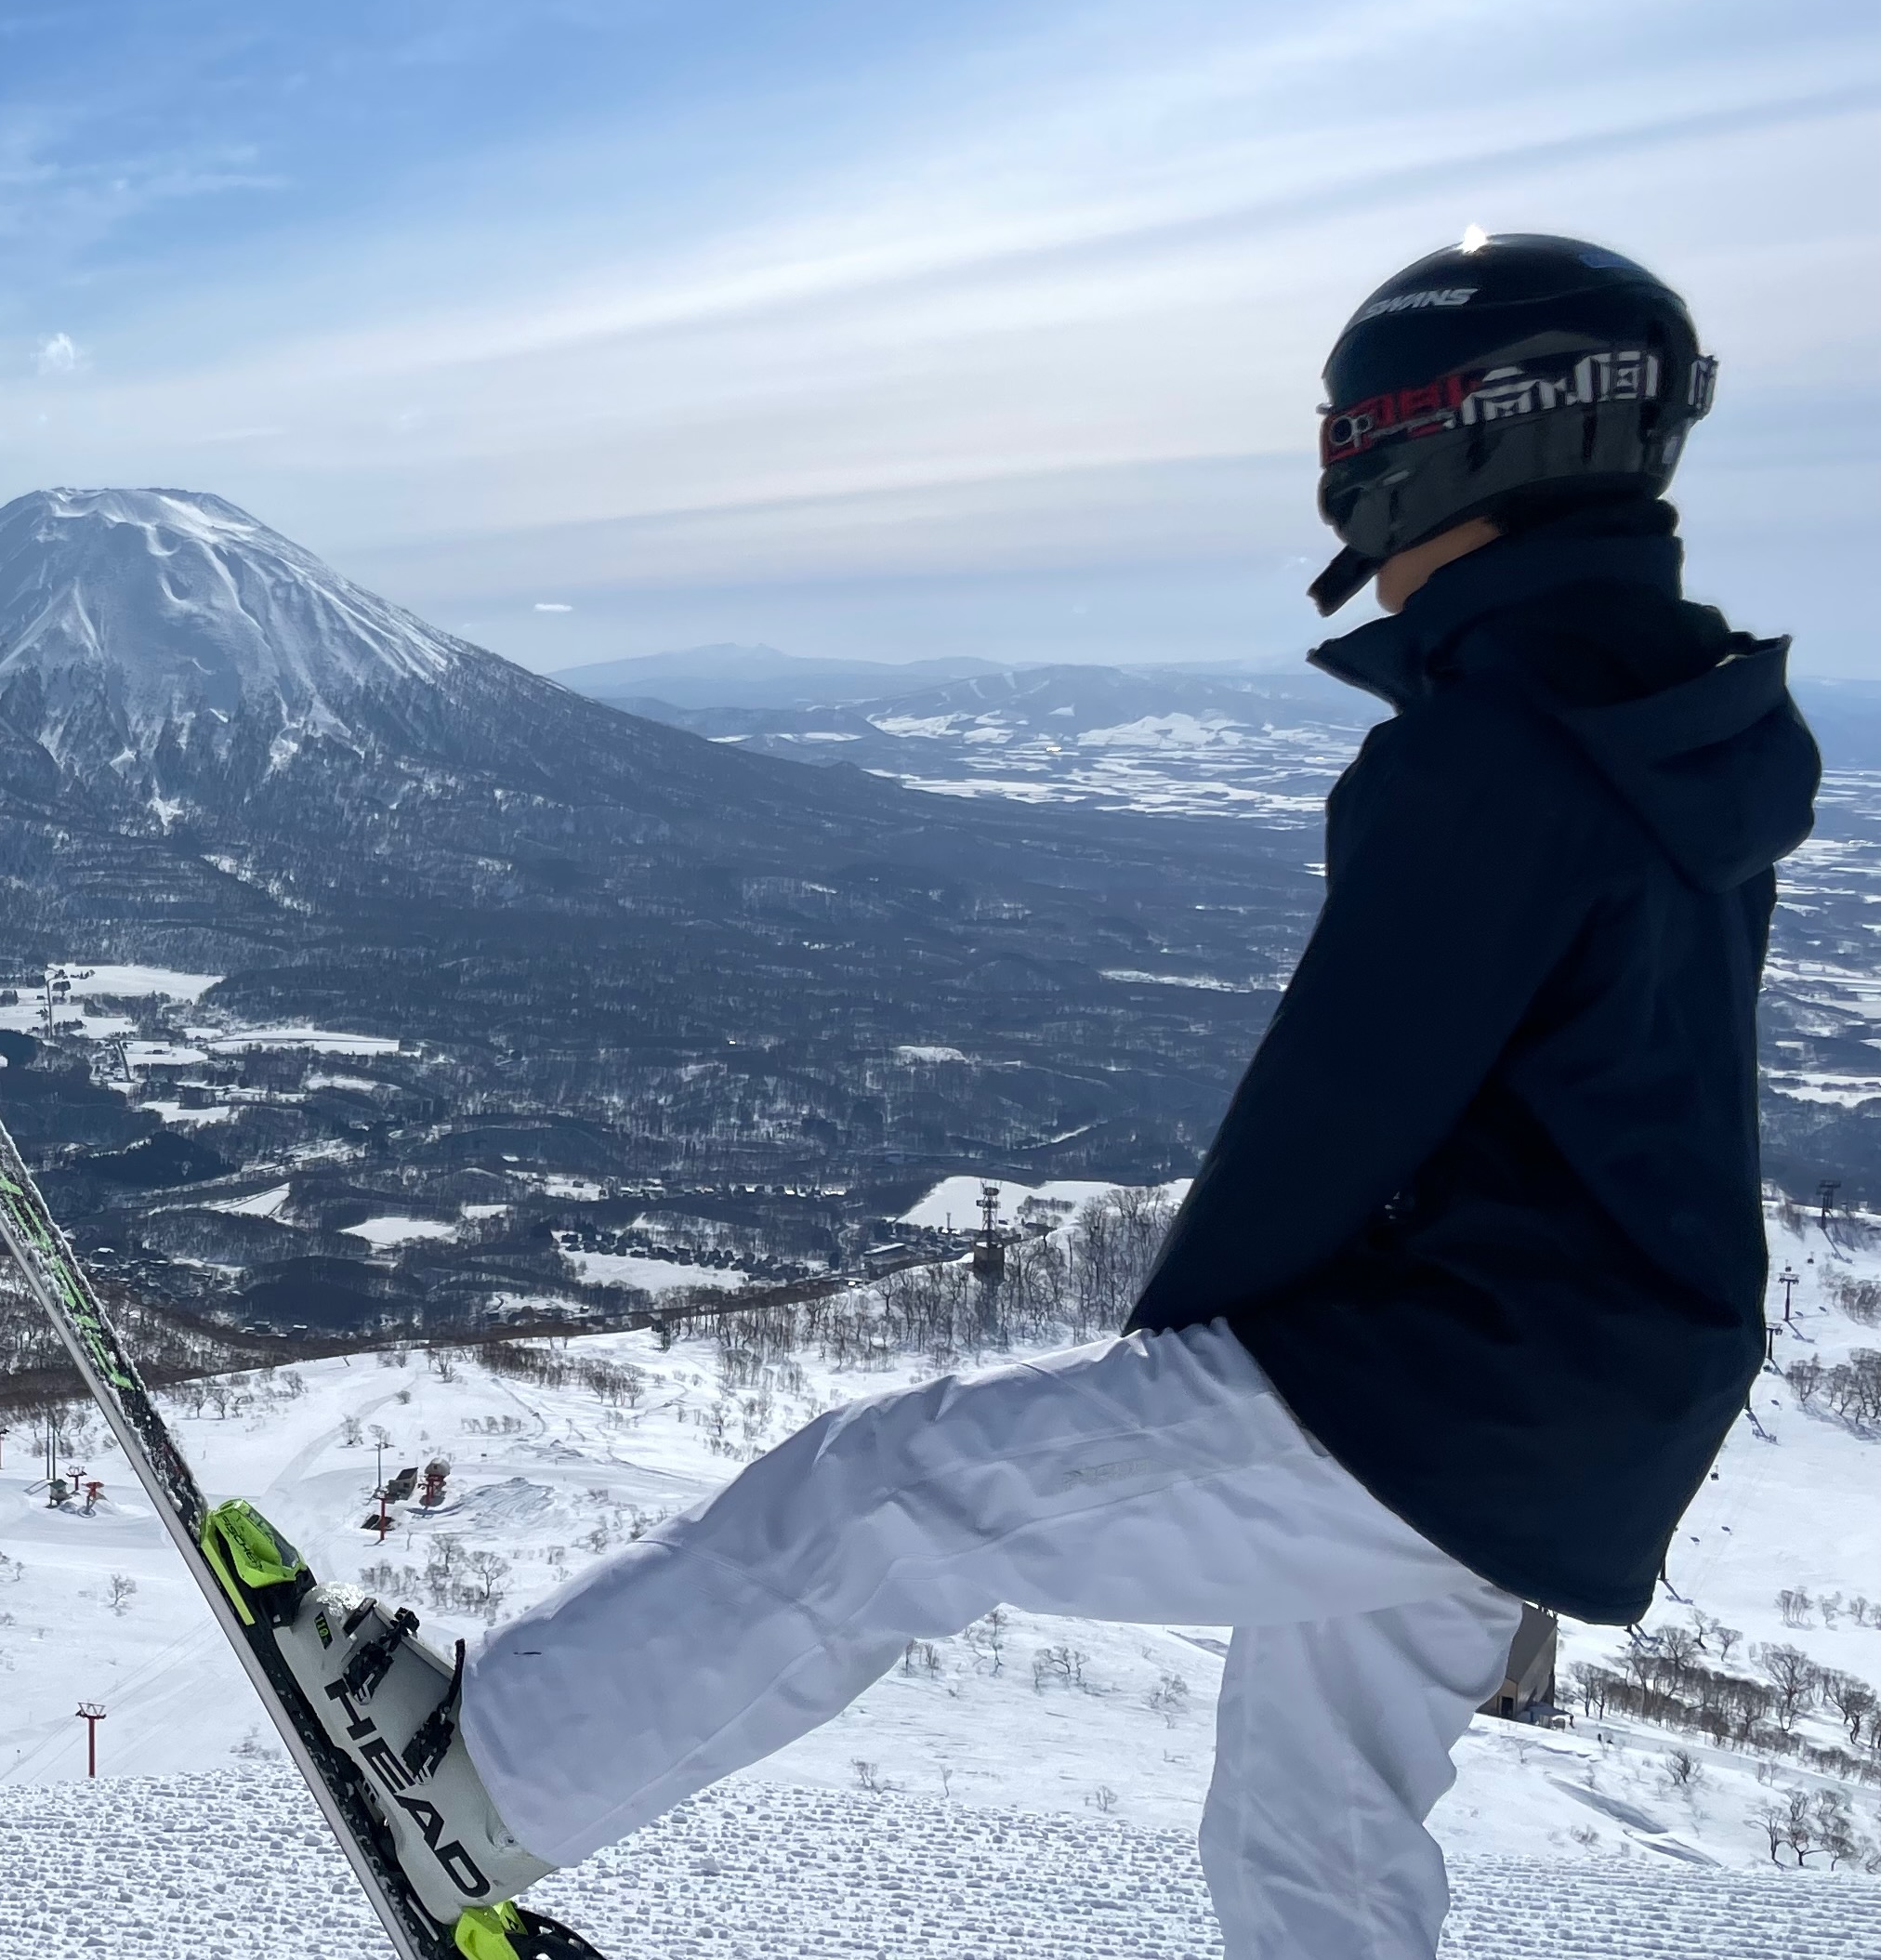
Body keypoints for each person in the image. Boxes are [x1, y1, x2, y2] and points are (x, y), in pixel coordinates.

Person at [213, 232, 1817, 1960]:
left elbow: (1337, 1107)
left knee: (888, 1489)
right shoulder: (1666, 729)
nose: (1345, 495)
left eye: (1359, 441)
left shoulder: (1495, 745)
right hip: (1583, 1411)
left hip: (1444, 1386)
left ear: (1468, 431)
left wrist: (1169, 1370)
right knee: (1316, 1822)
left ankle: (486, 1780)